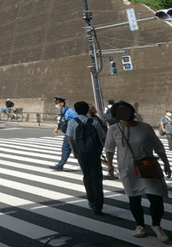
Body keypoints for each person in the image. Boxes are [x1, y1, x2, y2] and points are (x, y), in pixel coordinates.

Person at [105, 101, 172, 242]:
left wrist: (166, 163)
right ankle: (140, 226)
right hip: (127, 169)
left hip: (147, 166)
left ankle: (156, 225)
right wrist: (110, 165)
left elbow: (158, 146)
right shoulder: (113, 129)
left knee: (156, 198)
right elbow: (109, 149)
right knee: (134, 198)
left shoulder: (145, 128)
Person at [67, 101, 106, 216]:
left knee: (87, 176)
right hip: (94, 153)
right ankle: (99, 205)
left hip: (81, 153)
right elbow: (102, 138)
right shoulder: (94, 122)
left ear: (75, 110)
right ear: (87, 110)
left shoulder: (72, 122)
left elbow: (70, 138)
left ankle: (91, 201)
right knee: (97, 177)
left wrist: (74, 152)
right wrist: (101, 150)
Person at [52, 97, 78, 171]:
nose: (56, 105)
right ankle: (60, 165)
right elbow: (61, 121)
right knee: (68, 149)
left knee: (66, 148)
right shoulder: (61, 111)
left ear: (62, 103)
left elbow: (78, 120)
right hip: (68, 133)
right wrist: (57, 128)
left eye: (57, 103)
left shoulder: (69, 111)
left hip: (72, 133)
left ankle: (60, 165)